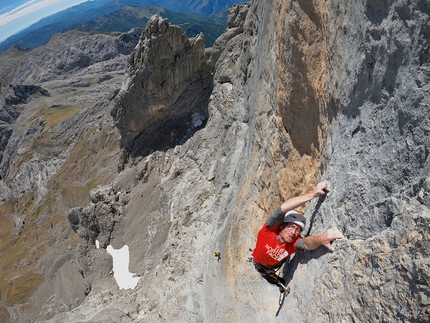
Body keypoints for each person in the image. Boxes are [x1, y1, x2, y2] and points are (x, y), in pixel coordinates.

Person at [252, 181, 344, 291]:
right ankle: (281, 286)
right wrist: (312, 194)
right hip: (260, 264)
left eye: (298, 230)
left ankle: (281, 285)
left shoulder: (294, 243)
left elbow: (306, 243)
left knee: (277, 278)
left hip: (275, 264)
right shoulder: (268, 231)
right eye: (291, 226)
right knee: (273, 279)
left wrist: (321, 239)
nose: (293, 232)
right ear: (281, 226)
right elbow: (281, 209)